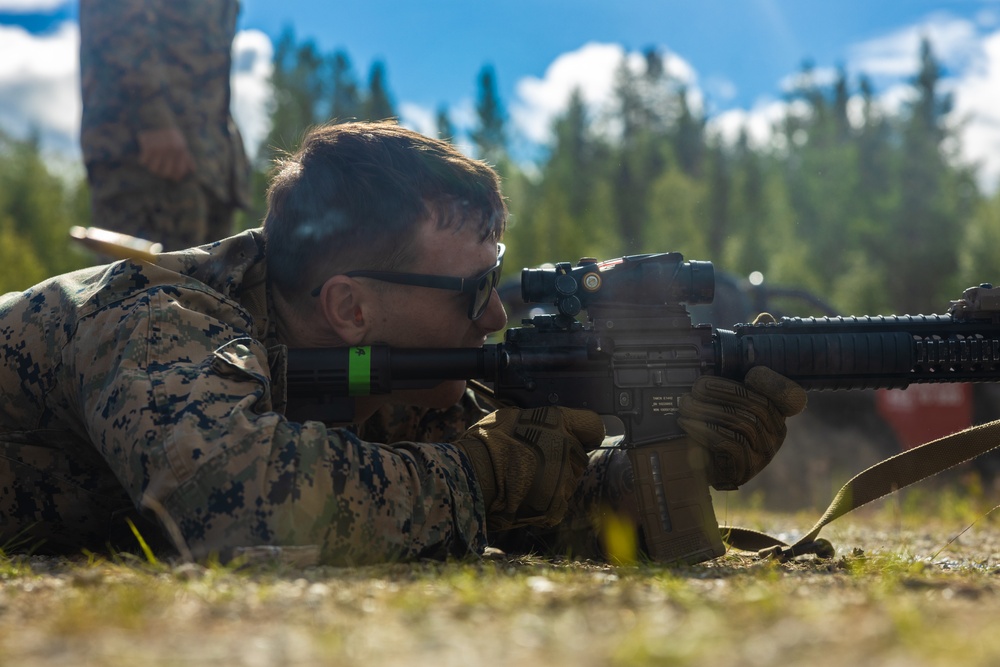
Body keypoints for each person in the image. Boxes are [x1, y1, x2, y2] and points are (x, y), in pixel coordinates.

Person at [0, 121, 804, 565]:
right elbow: (230, 506)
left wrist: (665, 463)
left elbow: (534, 501)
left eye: (496, 280)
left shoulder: (400, 371)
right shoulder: (158, 316)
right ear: (349, 307)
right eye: (472, 290)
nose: (495, 317)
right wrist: (478, 476)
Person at [78, 0, 250, 252]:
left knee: (203, 290)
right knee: (143, 287)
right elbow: (115, 14)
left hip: (210, 170)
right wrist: (152, 118)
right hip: (147, 159)